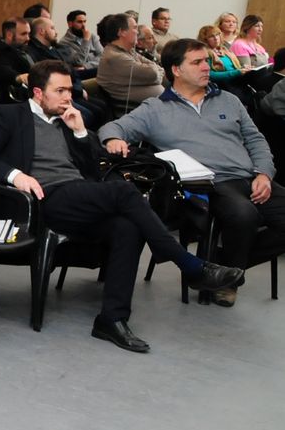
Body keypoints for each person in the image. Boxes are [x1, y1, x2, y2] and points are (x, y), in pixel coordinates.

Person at [0, 60, 242, 349]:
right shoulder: (11, 115)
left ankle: (111, 319)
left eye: (70, 90)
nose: (68, 97)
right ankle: (190, 266)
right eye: (59, 90)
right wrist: (16, 176)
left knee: (126, 227)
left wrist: (78, 132)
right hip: (41, 199)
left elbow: (93, 167)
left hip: (79, 194)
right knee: (124, 193)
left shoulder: (68, 119)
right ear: (38, 92)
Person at [100, 38, 285, 307]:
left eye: (207, 61)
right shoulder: (156, 109)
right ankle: (228, 276)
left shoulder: (229, 101)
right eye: (197, 62)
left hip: (249, 177)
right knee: (244, 215)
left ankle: (222, 266)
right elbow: (112, 128)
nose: (206, 67)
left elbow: (256, 140)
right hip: (210, 184)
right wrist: (113, 140)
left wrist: (264, 174)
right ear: (176, 69)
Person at [95, 12, 164, 108]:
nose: (137, 32)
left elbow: (157, 69)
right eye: (135, 28)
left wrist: (155, 76)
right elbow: (153, 73)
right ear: (121, 32)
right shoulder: (114, 56)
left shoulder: (129, 51)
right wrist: (155, 77)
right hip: (129, 108)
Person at [0, 18, 33, 102]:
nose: (28, 38)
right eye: (24, 34)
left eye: (29, 34)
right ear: (9, 35)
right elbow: (2, 69)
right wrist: (18, 77)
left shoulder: (24, 49)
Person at [57, 9, 100, 74]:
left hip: (94, 70)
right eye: (80, 22)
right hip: (81, 75)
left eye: (85, 21)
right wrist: (86, 41)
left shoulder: (92, 36)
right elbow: (79, 62)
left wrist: (87, 66)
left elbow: (104, 57)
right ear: (70, 24)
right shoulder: (63, 43)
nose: (84, 25)